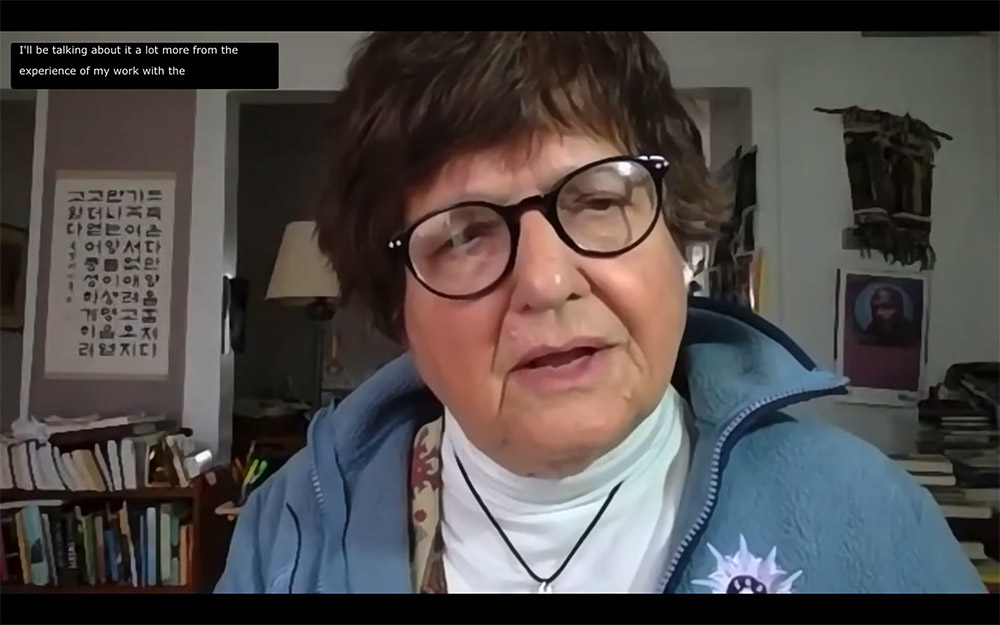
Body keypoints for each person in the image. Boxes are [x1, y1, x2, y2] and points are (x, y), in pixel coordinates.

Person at [215, 31, 984, 594]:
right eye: (466, 234)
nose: (547, 281)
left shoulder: (869, 516)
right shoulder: (288, 539)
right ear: (399, 306)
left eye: (598, 199)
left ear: (677, 235)